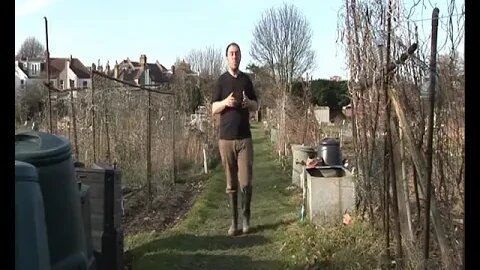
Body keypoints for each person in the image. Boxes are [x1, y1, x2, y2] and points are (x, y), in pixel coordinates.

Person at [212, 42, 259, 236]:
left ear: (240, 57)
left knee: (246, 182)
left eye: (237, 54)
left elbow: (257, 106)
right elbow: (213, 108)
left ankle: (246, 217)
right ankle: (234, 223)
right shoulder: (221, 81)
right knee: (231, 184)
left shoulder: (246, 80)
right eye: (231, 54)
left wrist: (249, 103)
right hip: (226, 140)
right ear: (226, 57)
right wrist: (225, 102)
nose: (234, 57)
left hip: (244, 139)